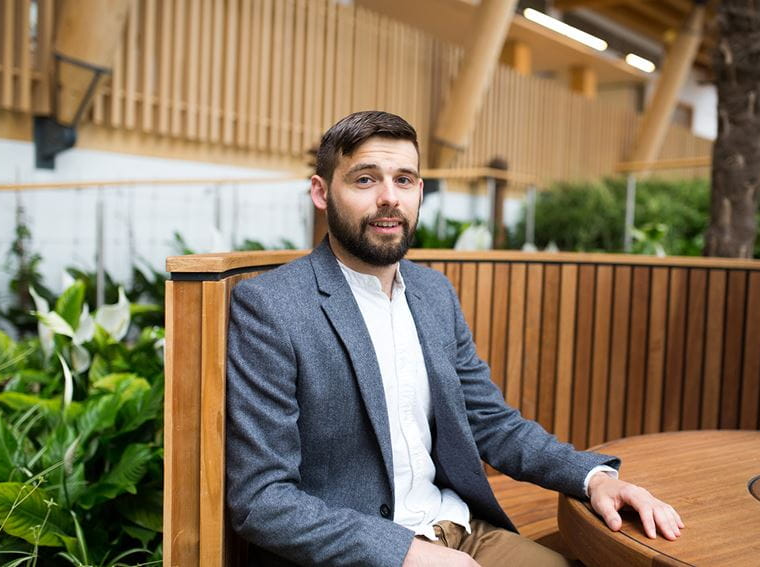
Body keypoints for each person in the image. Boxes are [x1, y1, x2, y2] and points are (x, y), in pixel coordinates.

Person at [226, 111, 683, 567]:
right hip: (366, 553)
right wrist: (404, 554)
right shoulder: (272, 306)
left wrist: (593, 479)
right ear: (322, 193)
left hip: (462, 531)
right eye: (365, 180)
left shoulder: (433, 293)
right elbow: (262, 499)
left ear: (420, 191)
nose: (389, 198)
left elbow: (490, 422)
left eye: (404, 180)